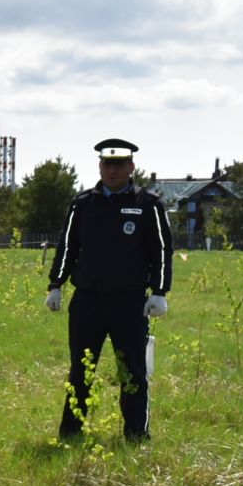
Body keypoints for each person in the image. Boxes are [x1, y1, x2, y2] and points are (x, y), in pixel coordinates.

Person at [47, 137, 173, 440]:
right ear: (100, 166)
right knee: (80, 371)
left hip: (129, 304)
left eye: (118, 165)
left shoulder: (148, 205)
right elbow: (67, 246)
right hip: (88, 301)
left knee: (132, 373)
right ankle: (71, 434)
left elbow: (162, 250)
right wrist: (56, 284)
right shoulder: (83, 203)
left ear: (131, 167)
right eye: (107, 164)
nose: (112, 170)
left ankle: (136, 435)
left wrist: (159, 291)